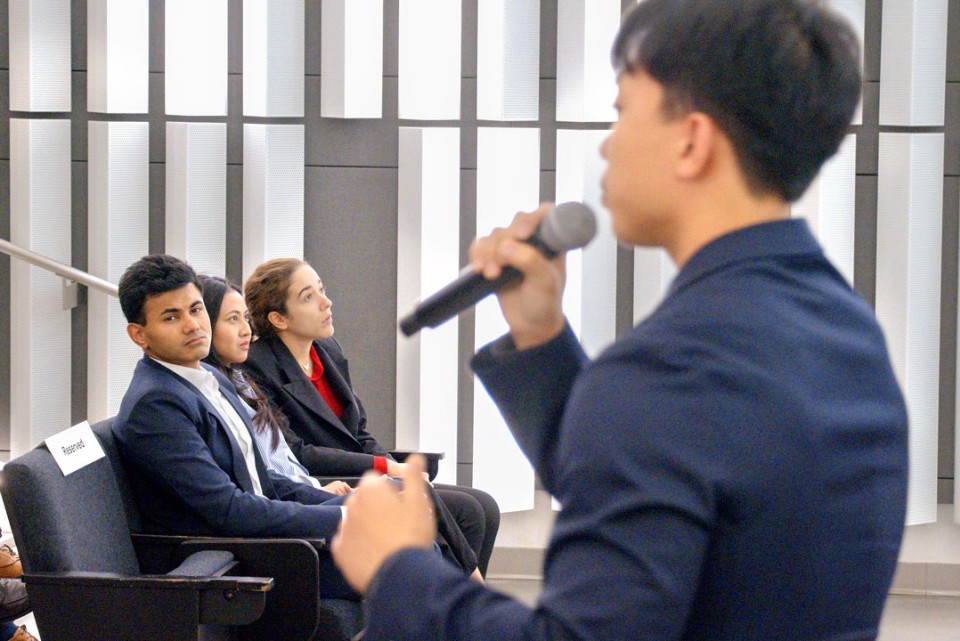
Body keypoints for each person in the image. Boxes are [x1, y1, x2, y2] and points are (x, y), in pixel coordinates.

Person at [331, 1, 909, 640]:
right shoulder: (849, 330)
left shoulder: (668, 371)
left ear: (691, 141)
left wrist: (400, 568)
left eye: (622, 111)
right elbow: (656, 498)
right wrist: (541, 335)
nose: (607, 143)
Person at [111, 254, 358, 601]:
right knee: (402, 560)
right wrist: (343, 521)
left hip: (270, 538)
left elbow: (263, 480)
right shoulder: (155, 404)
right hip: (238, 562)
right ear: (139, 334)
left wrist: (350, 508)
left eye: (196, 310)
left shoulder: (211, 375)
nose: (193, 325)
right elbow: (230, 510)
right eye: (172, 317)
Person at [198, 275, 478, 575]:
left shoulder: (324, 352)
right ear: (278, 318)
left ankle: (467, 597)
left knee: (475, 509)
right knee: (415, 507)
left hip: (312, 484)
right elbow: (286, 461)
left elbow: (356, 431)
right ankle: (469, 594)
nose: (326, 302)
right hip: (318, 481)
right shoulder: (252, 367)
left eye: (322, 289)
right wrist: (374, 474)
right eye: (308, 296)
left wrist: (388, 464)